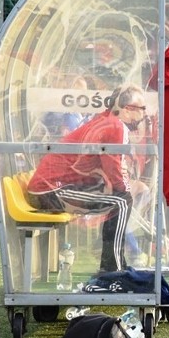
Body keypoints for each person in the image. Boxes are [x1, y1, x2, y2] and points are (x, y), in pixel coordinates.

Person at [27, 84, 147, 272]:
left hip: (52, 187)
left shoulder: (107, 120)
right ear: (128, 109)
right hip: (51, 190)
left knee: (121, 199)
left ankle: (113, 262)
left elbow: (106, 168)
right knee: (122, 200)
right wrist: (126, 187)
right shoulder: (116, 125)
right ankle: (112, 269)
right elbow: (113, 167)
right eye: (143, 109)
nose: (144, 114)